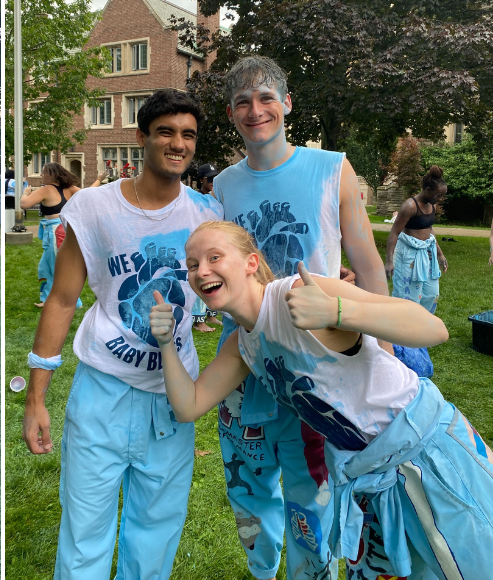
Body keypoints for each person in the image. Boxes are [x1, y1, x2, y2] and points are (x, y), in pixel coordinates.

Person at [150, 220, 493, 580]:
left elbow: (432, 328)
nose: (202, 270)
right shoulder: (244, 345)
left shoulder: (295, 293)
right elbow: (188, 405)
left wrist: (336, 312)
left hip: (428, 459)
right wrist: (165, 342)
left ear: (251, 263)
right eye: (192, 265)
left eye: (214, 257)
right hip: (369, 481)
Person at [21, 89, 223, 579]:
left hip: (172, 400)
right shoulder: (93, 207)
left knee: (154, 540)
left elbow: (246, 290)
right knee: (84, 539)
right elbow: (63, 299)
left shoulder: (207, 213)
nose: (178, 144)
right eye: (166, 132)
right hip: (102, 394)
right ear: (141, 137)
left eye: (188, 135)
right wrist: (36, 398)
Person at [210, 56, 387, 580]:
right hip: (244, 363)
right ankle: (262, 572)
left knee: (313, 491)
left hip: (319, 365)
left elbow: (368, 262)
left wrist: (383, 350)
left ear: (287, 103)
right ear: (230, 113)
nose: (255, 110)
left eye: (266, 98)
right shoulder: (222, 185)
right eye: (242, 101)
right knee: (249, 488)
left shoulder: (332, 168)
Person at [19, 162, 85, 307]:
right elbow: (88, 195)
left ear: (52, 175)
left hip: (56, 232)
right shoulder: (69, 188)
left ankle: (73, 301)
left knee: (59, 267)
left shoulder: (46, 189)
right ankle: (48, 299)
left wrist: (26, 192)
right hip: (60, 230)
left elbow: (24, 204)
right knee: (44, 267)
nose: (41, 175)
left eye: (44, 172)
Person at [385, 165, 448, 314]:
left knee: (431, 294)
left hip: (426, 254)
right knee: (408, 297)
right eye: (438, 195)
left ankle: (421, 326)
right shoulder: (410, 206)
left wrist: (440, 254)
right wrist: (389, 261)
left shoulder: (431, 206)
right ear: (427, 190)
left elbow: (429, 231)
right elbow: (394, 233)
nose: (441, 199)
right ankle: (402, 331)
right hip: (409, 256)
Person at [192, 163, 222, 331]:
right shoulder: (194, 199)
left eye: (215, 178)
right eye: (209, 179)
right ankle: (199, 320)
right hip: (198, 244)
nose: (212, 181)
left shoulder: (217, 198)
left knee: (214, 279)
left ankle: (211, 315)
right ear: (201, 180)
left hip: (214, 244)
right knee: (200, 278)